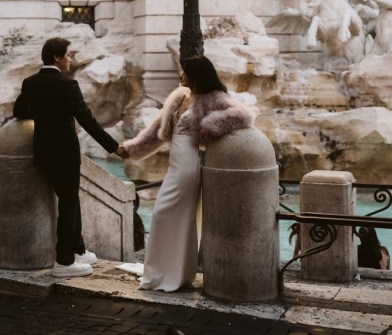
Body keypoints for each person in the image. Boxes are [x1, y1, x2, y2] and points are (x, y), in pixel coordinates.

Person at [121, 55, 255, 292]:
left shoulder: (214, 98)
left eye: (184, 72)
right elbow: (156, 131)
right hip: (176, 166)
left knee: (174, 217)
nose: (180, 75)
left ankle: (175, 275)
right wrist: (129, 149)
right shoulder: (179, 96)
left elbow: (245, 116)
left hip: (189, 166)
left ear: (195, 76)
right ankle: (162, 274)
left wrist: (210, 124)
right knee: (165, 216)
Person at [13, 37, 128, 278]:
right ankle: (64, 262)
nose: (71, 59)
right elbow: (86, 120)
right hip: (65, 154)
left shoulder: (30, 82)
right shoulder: (68, 85)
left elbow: (19, 112)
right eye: (68, 55)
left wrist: (45, 115)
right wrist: (114, 147)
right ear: (57, 57)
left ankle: (78, 249)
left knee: (70, 200)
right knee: (68, 204)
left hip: (43, 152)